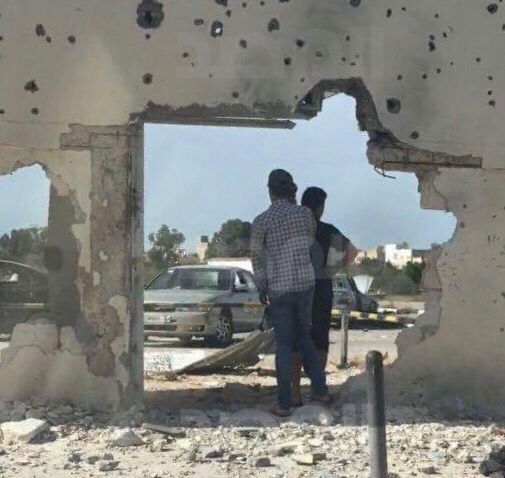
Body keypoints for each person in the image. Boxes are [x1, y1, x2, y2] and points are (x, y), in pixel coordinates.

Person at [250, 170, 331, 417]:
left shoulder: (262, 221)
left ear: (270, 191)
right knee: (304, 338)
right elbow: (309, 241)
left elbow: (256, 257)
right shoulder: (305, 214)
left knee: (284, 345)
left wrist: (262, 286)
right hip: (306, 285)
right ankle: (320, 391)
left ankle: (284, 403)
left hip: (279, 287)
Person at [291, 187, 358, 406]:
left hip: (295, 288)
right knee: (319, 340)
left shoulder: (293, 230)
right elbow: (351, 252)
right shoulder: (327, 230)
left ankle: (294, 393)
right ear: (320, 207)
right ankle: (317, 391)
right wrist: (331, 269)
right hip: (321, 288)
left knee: (295, 342)